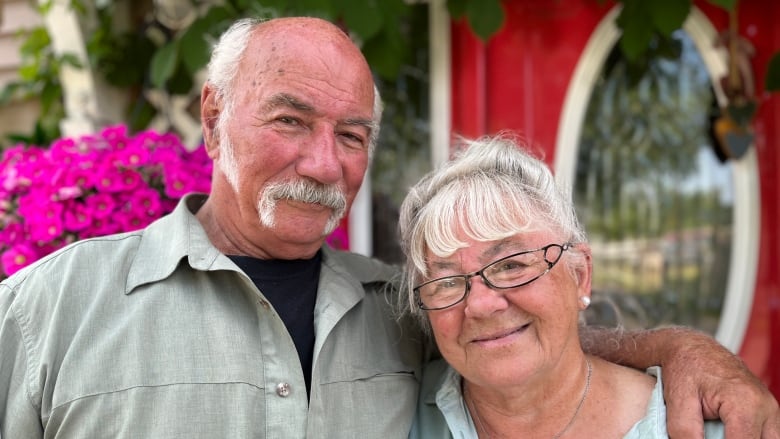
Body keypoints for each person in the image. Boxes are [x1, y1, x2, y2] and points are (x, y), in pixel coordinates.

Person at [0, 16, 778, 439]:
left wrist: (686, 349)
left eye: (353, 133)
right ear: (213, 116)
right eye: (290, 119)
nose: (324, 161)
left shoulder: (402, 304)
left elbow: (522, 332)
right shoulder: (47, 311)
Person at [399, 135, 725, 438]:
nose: (481, 305)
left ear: (580, 275)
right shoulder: (397, 414)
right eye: (448, 282)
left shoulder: (693, 424)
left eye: (511, 265)